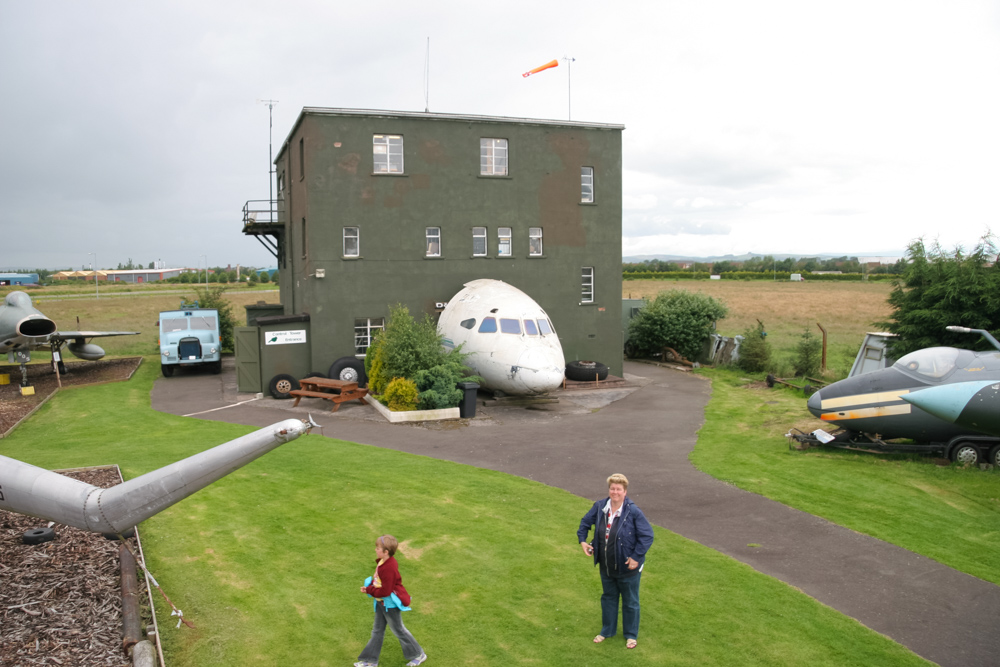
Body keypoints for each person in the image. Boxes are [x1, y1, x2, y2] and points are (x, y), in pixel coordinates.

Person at [577, 473, 654, 650]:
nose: (615, 492)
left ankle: (631, 635)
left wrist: (636, 557)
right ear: (609, 490)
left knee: (630, 601)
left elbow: (647, 535)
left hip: (628, 567)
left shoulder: (633, 511)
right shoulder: (599, 507)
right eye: (612, 488)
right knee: (609, 598)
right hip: (606, 566)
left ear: (625, 491)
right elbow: (585, 523)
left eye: (619, 489)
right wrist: (583, 540)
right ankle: (607, 630)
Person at [355, 535, 427, 667]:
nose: (375, 549)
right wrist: (370, 586)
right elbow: (378, 580)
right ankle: (371, 661)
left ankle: (419, 654)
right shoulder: (383, 562)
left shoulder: (389, 568)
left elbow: (385, 591)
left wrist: (369, 591)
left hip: (389, 605)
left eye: (378, 548)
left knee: (399, 630)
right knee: (377, 631)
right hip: (381, 603)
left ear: (386, 551)